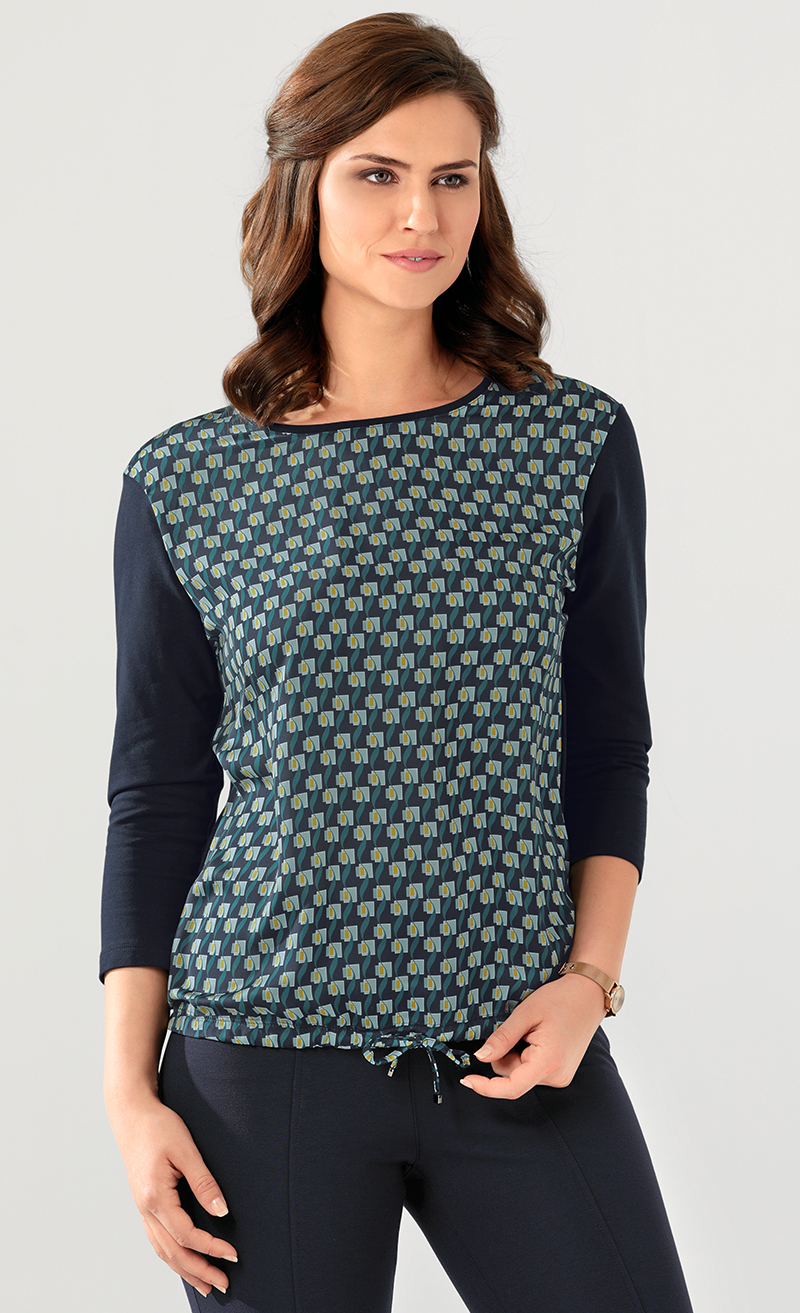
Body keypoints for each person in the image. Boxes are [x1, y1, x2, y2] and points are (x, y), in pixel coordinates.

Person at [100, 12, 695, 1312]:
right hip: (262, 1058)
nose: (421, 214)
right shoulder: (188, 480)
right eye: (378, 172)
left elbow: (607, 743)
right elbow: (156, 794)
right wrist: (130, 1095)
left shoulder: (569, 444)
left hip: (518, 1042)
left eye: (452, 177)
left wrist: (588, 985)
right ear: (303, 185)